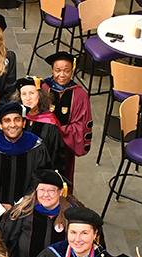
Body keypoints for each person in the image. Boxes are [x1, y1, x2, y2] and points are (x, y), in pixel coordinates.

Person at [0, 101, 51, 216]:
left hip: (27, 212)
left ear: (24, 123)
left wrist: (22, 204)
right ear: (0, 125)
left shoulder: (36, 147)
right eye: (7, 120)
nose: (12, 125)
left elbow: (41, 180)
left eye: (17, 119)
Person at [42, 51, 93, 189]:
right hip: (44, 143)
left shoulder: (80, 94)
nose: (62, 75)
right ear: (52, 70)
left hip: (66, 145)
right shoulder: (44, 88)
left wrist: (59, 130)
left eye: (66, 71)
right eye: (57, 70)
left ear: (72, 71)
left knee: (63, 178)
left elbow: (82, 125)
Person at [12, 76, 62, 170]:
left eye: (32, 93)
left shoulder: (50, 123)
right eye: (24, 94)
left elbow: (55, 156)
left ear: (39, 95)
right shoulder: (16, 120)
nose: (28, 98)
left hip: (42, 174)